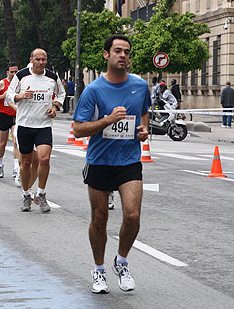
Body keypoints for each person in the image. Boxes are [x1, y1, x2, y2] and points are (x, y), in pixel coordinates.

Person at [72, 34, 150, 294]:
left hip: (129, 160)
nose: (123, 56)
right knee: (99, 217)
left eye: (127, 52)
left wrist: (143, 130)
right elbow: (79, 129)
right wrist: (106, 120)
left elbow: (145, 111)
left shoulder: (140, 86)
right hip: (100, 161)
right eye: (117, 51)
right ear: (106, 55)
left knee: (132, 215)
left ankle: (122, 261)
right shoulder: (93, 90)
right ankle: (99, 269)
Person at [5, 48, 65, 213]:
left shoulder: (52, 77)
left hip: (44, 125)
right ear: (31, 59)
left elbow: (62, 94)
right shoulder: (21, 75)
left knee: (44, 159)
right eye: (37, 59)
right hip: (25, 124)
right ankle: (26, 195)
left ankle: (41, 193)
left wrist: (55, 107)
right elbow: (9, 94)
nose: (40, 62)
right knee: (26, 163)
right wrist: (20, 96)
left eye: (43, 59)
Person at [0, 62, 21, 179]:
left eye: (16, 71)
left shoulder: (20, 84)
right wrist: (3, 96)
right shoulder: (2, 83)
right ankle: (0, 164)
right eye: (11, 72)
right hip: (3, 115)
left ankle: (16, 168)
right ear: (7, 72)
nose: (14, 74)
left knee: (17, 142)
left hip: (16, 116)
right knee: (3, 142)